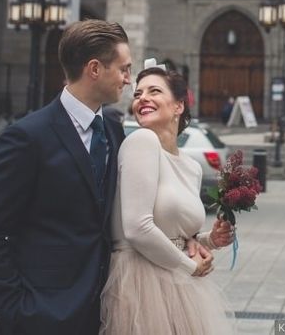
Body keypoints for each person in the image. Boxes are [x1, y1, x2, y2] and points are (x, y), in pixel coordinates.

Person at [0, 19, 132, 335]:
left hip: (103, 311)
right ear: (95, 69)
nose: (128, 79)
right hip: (40, 315)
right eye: (123, 69)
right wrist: (13, 309)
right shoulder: (26, 137)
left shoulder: (113, 131)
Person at [100, 65, 236, 335]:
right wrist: (190, 267)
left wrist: (210, 239)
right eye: (138, 94)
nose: (142, 98)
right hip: (140, 280)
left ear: (178, 106)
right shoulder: (141, 141)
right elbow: (138, 228)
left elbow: (179, 233)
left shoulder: (191, 166)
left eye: (154, 91)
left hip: (178, 282)